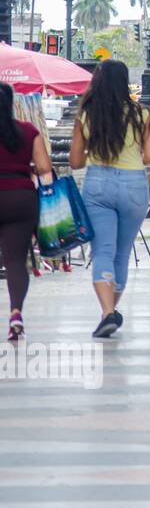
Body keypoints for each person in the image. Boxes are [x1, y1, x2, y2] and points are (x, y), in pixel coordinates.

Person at [69, 59, 150, 339]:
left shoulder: (86, 115)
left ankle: (108, 313)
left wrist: (93, 152)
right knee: (122, 252)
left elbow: (74, 162)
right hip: (133, 184)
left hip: (98, 183)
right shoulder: (142, 114)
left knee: (103, 251)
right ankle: (109, 312)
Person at [0, 82, 54, 341]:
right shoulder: (28, 131)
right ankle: (16, 314)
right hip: (20, 199)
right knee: (14, 261)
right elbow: (45, 168)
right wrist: (25, 168)